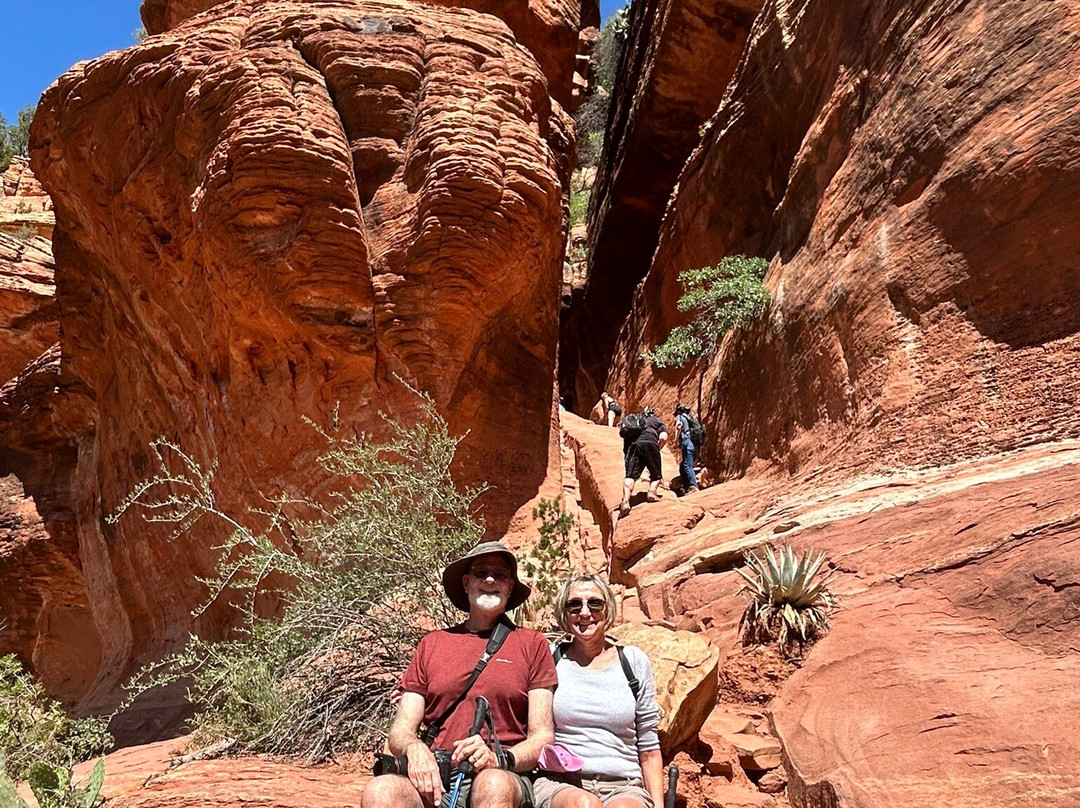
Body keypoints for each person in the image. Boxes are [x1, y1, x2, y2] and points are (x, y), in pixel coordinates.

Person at [363, 541, 558, 808]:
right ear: (466, 583)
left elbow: (543, 737)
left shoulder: (532, 644)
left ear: (510, 586)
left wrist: (499, 759)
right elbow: (401, 730)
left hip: (502, 773)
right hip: (436, 773)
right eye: (480, 573)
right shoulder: (433, 643)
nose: (490, 579)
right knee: (381, 790)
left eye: (500, 575)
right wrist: (415, 748)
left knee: (493, 784)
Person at [532, 574, 663, 808]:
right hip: (562, 782)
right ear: (564, 612)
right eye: (574, 605)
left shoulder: (632, 662)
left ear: (608, 609)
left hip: (624, 785)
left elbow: (649, 747)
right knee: (584, 804)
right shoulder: (550, 658)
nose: (584, 613)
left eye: (594, 603)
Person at [618, 408, 667, 516]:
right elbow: (663, 437)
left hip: (635, 446)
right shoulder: (658, 422)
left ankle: (625, 501)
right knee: (656, 475)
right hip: (651, 444)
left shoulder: (637, 421)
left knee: (630, 476)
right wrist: (656, 450)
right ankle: (652, 492)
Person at [672, 404, 700, 495]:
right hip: (694, 446)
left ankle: (693, 486)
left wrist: (675, 441)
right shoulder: (690, 419)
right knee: (683, 466)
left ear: (679, 411)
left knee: (687, 466)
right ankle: (686, 487)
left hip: (687, 443)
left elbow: (678, 427)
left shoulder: (680, 417)